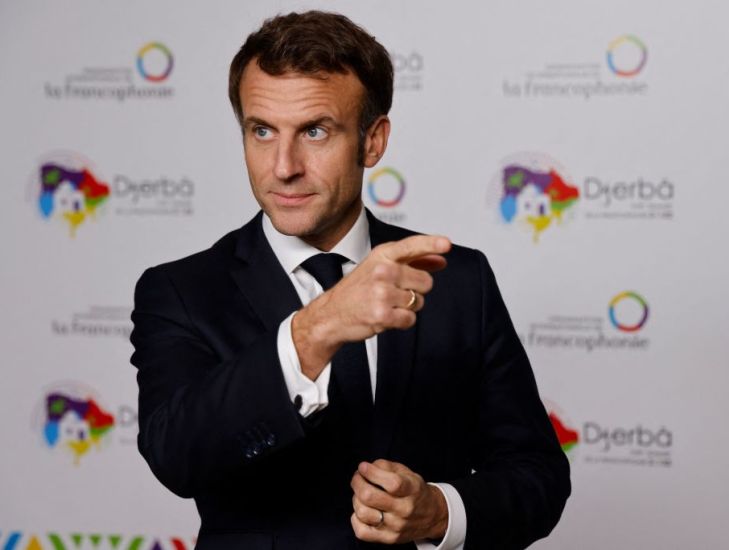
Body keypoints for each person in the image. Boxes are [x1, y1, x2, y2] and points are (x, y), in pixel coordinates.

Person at [130, 10, 570, 550]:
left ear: (373, 141)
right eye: (262, 131)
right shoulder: (182, 290)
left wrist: (439, 512)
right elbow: (176, 456)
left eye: (315, 131)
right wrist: (315, 331)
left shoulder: (458, 280)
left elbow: (539, 476)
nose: (283, 166)